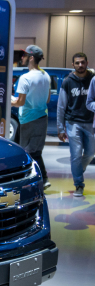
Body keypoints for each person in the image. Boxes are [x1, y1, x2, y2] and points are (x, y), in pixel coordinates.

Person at [12, 45, 51, 189]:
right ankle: (44, 179)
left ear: (31, 58)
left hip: (28, 120)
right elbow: (47, 99)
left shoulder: (25, 78)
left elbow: (20, 101)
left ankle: (30, 182)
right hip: (42, 118)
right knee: (36, 151)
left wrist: (9, 101)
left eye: (24, 56)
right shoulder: (45, 75)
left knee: (26, 152)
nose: (22, 58)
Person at [57, 52, 94, 197]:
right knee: (76, 155)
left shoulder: (93, 79)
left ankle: (78, 169)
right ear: (73, 64)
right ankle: (79, 184)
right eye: (77, 63)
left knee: (91, 153)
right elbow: (61, 106)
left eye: (83, 62)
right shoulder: (68, 81)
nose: (80, 65)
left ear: (87, 62)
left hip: (90, 122)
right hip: (73, 123)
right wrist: (60, 128)